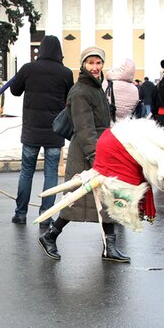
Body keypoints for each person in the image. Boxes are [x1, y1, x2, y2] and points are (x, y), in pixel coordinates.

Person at [38, 46, 130, 263]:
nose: (95, 67)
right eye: (91, 63)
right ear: (83, 65)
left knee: (104, 198)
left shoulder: (96, 87)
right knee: (76, 201)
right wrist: (96, 157)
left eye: (98, 63)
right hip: (88, 151)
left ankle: (109, 246)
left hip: (100, 147)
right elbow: (85, 128)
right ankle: (50, 235)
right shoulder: (80, 91)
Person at [9, 35, 73, 227]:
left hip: (31, 130)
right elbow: (70, 98)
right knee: (51, 173)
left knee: (26, 172)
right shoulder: (65, 73)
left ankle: (20, 214)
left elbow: (14, 90)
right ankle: (46, 214)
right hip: (55, 131)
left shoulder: (29, 69)